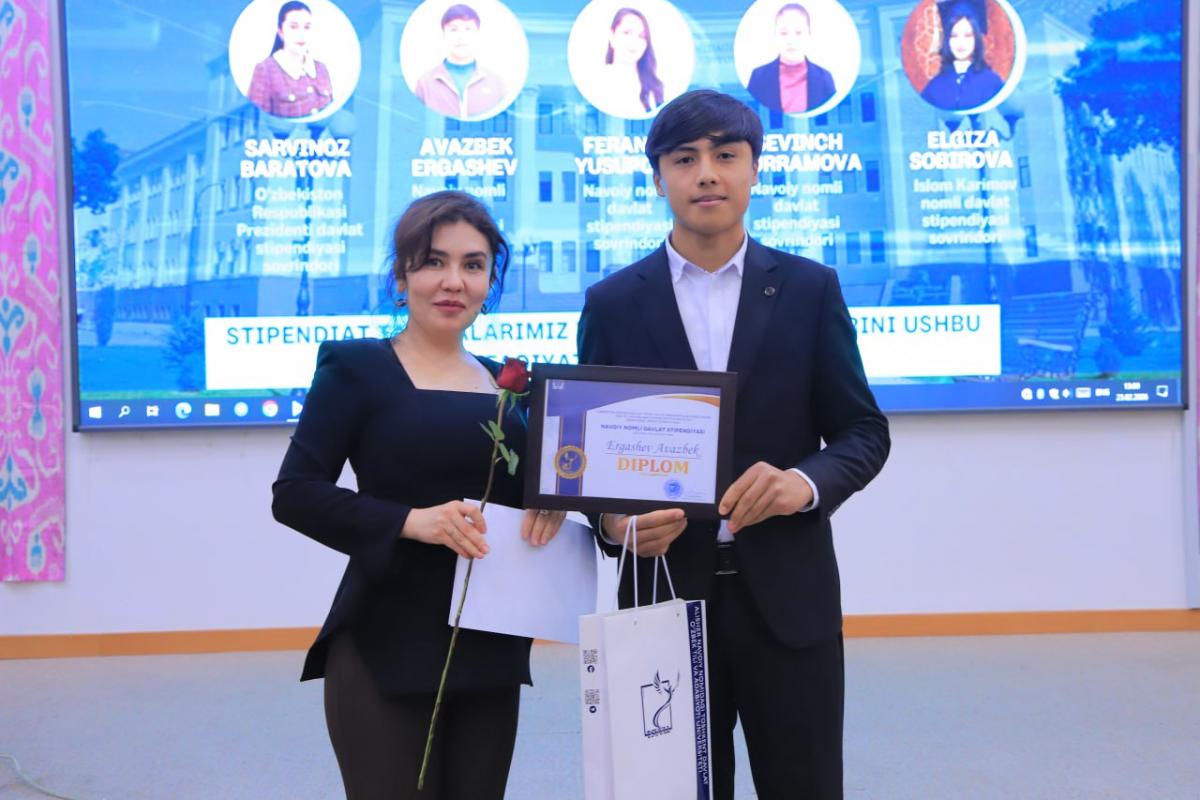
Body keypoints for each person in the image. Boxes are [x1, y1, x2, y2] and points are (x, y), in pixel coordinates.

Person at [577, 89, 890, 799]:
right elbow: (593, 461)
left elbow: (863, 431)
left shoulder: (809, 289)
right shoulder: (613, 303)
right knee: (673, 789)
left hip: (789, 596)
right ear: (658, 176)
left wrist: (803, 484)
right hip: (661, 600)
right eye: (685, 158)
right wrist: (614, 523)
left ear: (754, 169)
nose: (707, 173)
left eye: (725, 155)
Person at [272, 191, 566, 799]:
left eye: (473, 265)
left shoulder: (514, 386)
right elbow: (295, 493)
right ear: (401, 276)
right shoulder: (356, 369)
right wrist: (411, 521)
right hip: (384, 640)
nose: (454, 281)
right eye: (434, 261)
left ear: (489, 282)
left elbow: (546, 496)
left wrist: (555, 500)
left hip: (490, 646)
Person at [414, 4, 506, 120]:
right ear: (443, 34)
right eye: (454, 30)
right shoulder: (425, 83)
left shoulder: (495, 82)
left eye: (468, 29)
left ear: (477, 34)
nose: (461, 36)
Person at [247, 1, 334, 119]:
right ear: (280, 32)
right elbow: (256, 119)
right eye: (293, 27)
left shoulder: (321, 68)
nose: (301, 34)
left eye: (307, 27)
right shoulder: (265, 70)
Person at [746, 3, 836, 114]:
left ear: (808, 35)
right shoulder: (759, 76)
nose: (791, 40)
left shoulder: (824, 77)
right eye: (784, 33)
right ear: (775, 36)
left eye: (798, 33)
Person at [920, 2, 1004, 111]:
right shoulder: (935, 87)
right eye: (954, 36)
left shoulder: (992, 82)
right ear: (947, 40)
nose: (961, 42)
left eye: (968, 35)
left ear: (976, 39)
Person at [590, 7, 665, 118]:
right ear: (612, 36)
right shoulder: (597, 81)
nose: (634, 41)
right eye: (627, 33)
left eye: (642, 36)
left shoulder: (655, 86)